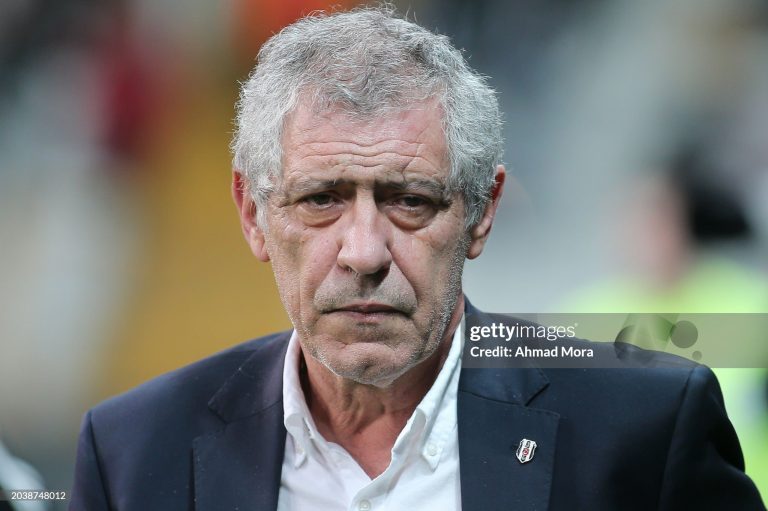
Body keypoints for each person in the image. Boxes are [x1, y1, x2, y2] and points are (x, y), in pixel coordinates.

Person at [70, 6, 765, 510]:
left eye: (408, 199)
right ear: (253, 214)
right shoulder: (133, 450)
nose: (364, 251)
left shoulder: (647, 429)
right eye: (320, 199)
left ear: (480, 213)